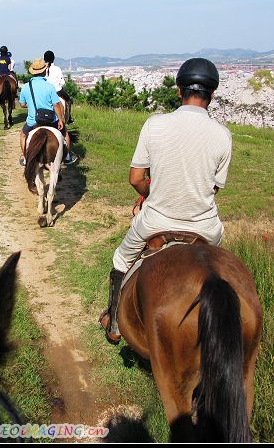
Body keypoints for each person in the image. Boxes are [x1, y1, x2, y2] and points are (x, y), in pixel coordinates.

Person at [99, 58, 232, 344]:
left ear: (178, 91)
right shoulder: (223, 136)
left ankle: (114, 322)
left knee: (121, 259)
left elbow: (136, 178)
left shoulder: (155, 125)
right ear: (213, 94)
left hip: (156, 221)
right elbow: (213, 188)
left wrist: (148, 193)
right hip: (205, 227)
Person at [18, 59, 78, 167]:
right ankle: (68, 157)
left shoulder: (26, 87)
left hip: (33, 121)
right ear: (44, 71)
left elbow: (22, 104)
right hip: (51, 120)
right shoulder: (50, 86)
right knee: (65, 134)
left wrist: (31, 105)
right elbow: (56, 104)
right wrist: (60, 120)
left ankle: (26, 158)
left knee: (23, 135)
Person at [43, 50, 74, 124]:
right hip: (57, 91)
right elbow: (62, 82)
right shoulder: (57, 69)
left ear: (44, 59)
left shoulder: (43, 69)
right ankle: (69, 117)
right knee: (68, 100)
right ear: (53, 58)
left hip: (45, 91)